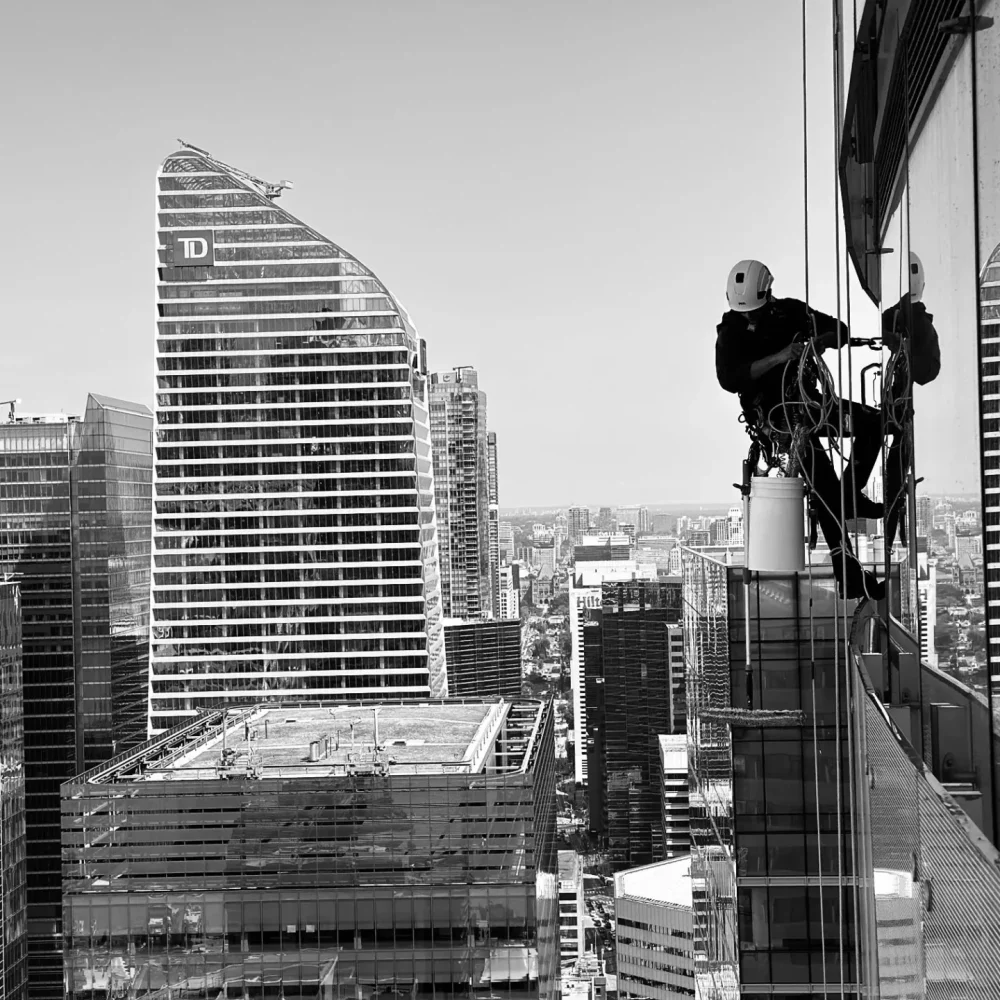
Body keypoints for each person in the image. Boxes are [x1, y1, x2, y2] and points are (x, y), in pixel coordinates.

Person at [716, 259, 885, 600]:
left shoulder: (791, 313)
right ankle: (850, 576)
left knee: (872, 423)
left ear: (768, 294)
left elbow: (840, 330)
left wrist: (820, 340)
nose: (749, 317)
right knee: (821, 482)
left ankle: (849, 497)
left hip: (811, 404)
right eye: (745, 312)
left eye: (754, 311)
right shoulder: (731, 331)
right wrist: (781, 356)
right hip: (777, 420)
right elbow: (730, 378)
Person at [882, 252, 941, 548]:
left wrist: (901, 348)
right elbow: (929, 371)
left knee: (895, 468)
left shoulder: (902, 320)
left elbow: (926, 372)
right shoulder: (913, 323)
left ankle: (890, 530)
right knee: (895, 466)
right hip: (898, 408)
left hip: (898, 406)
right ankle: (890, 529)